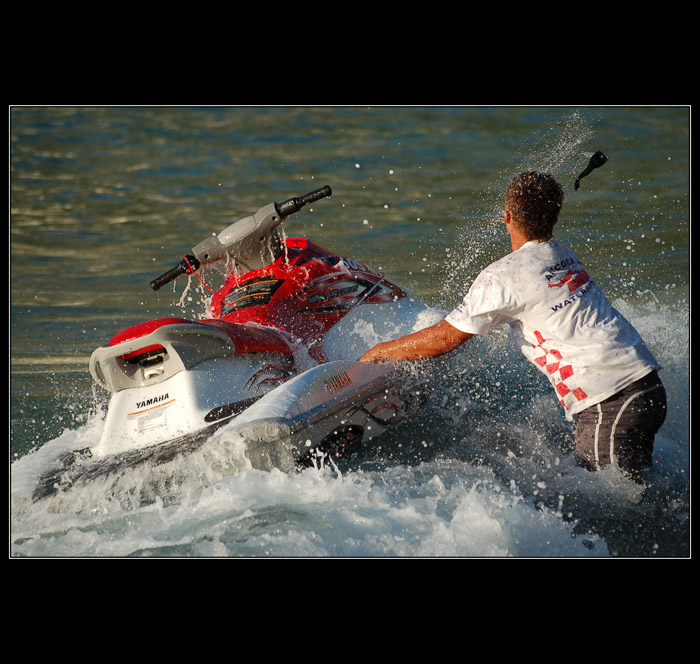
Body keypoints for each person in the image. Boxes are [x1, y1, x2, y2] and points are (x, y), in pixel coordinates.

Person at [359, 171, 667, 479]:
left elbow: (445, 338)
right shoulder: (561, 255)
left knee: (612, 506)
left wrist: (378, 353)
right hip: (645, 384)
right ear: (554, 217)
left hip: (611, 399)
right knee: (632, 490)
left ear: (506, 216)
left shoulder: (503, 277)